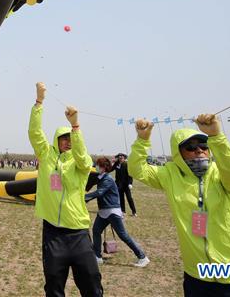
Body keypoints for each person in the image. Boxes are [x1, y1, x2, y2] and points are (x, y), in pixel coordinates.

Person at [130, 115, 230, 297]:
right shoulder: (169, 174)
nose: (199, 150)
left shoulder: (221, 173)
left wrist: (216, 137)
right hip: (198, 277)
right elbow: (137, 169)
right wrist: (142, 140)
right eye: (190, 147)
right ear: (178, 152)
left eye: (203, 146)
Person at [29, 82, 102, 297]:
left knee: (91, 284)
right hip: (52, 232)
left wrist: (75, 127)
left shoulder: (81, 163)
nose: (68, 142)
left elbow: (82, 157)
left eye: (71, 140)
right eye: (64, 139)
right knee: (53, 285)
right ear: (56, 140)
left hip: (78, 232)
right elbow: (34, 133)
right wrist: (39, 102)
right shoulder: (46, 155)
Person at [85, 157, 149, 267]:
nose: (96, 167)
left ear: (104, 167)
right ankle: (98, 256)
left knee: (123, 235)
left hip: (112, 211)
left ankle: (142, 257)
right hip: (104, 211)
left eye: (98, 165)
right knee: (96, 231)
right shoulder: (100, 177)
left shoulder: (107, 179)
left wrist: (84, 197)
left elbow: (99, 192)